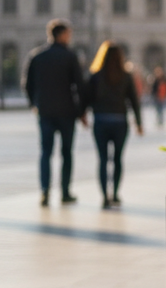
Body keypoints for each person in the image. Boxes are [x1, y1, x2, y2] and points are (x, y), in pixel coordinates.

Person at [22, 19, 87, 206]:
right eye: (68, 34)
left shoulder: (37, 56)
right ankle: (65, 191)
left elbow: (27, 84)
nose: (70, 37)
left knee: (46, 152)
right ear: (62, 35)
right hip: (67, 112)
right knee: (66, 153)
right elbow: (79, 85)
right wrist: (82, 111)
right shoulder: (70, 56)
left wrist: (34, 104)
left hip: (45, 111)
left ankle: (45, 190)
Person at [86, 41, 143, 209]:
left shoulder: (96, 76)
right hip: (120, 121)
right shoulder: (125, 76)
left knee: (103, 159)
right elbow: (134, 100)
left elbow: (87, 97)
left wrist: (82, 113)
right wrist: (139, 123)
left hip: (101, 120)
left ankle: (105, 196)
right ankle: (116, 194)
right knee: (117, 159)